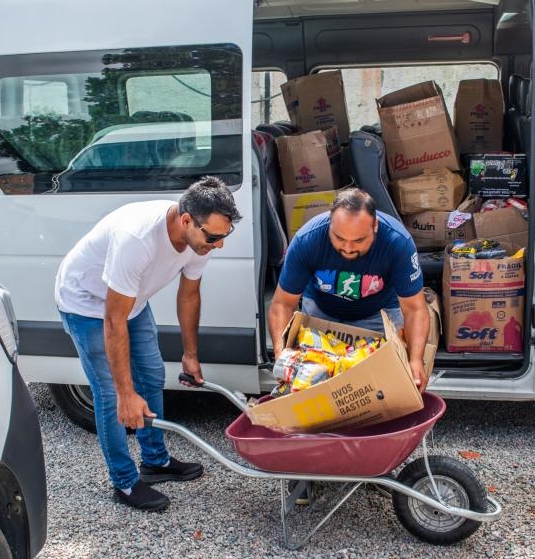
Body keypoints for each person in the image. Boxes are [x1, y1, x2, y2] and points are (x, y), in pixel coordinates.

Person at [55, 176, 241, 512]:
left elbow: (189, 295)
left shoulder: (199, 238)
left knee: (153, 375)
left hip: (131, 302)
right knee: (111, 393)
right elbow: (113, 320)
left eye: (224, 236)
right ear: (187, 220)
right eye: (214, 237)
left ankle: (155, 462)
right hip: (87, 304)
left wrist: (190, 355)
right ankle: (124, 482)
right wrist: (127, 394)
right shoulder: (137, 240)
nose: (218, 245)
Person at [267, 188, 431, 393]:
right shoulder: (307, 240)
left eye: (359, 240)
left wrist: (415, 360)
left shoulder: (397, 243)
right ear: (330, 224)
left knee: (378, 387)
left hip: (379, 314)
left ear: (376, 226)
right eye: (339, 238)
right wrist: (282, 354)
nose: (348, 248)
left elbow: (415, 309)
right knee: (314, 384)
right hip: (320, 311)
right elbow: (283, 303)